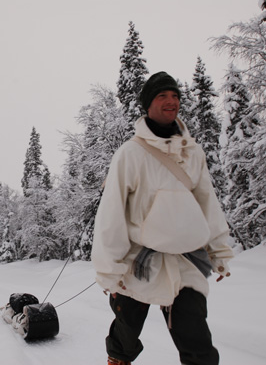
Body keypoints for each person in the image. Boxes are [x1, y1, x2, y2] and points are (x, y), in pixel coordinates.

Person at [91, 71, 234, 365]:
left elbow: (207, 202)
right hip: (138, 260)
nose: (171, 102)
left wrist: (218, 250)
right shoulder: (129, 154)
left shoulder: (192, 153)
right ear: (148, 104)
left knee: (196, 337)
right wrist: (109, 268)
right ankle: (118, 360)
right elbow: (112, 213)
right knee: (126, 329)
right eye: (162, 96)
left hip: (186, 259)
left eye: (175, 96)